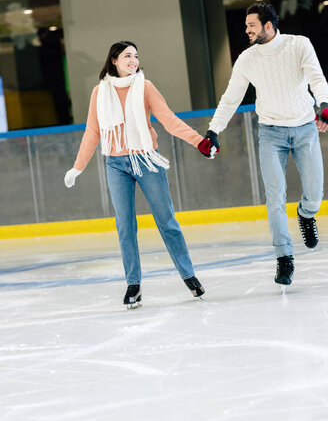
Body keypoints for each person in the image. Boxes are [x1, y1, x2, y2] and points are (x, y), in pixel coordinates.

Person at [64, 40, 219, 308]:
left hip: (147, 159)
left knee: (166, 221)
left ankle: (189, 276)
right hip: (115, 163)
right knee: (125, 226)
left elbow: (168, 119)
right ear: (114, 60)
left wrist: (199, 141)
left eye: (136, 56)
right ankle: (133, 285)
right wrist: (78, 167)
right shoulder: (100, 92)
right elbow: (93, 132)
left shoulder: (145, 87)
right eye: (127, 56)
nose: (133, 60)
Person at [203, 2, 328, 288]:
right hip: (271, 133)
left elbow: (316, 78)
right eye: (246, 25)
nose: (246, 30)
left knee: (315, 192)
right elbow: (231, 98)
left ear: (268, 25)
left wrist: (325, 104)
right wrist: (214, 130)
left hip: (304, 129)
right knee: (275, 197)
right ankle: (284, 257)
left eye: (251, 25)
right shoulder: (247, 59)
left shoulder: (299, 44)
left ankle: (306, 214)